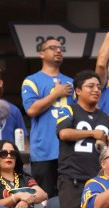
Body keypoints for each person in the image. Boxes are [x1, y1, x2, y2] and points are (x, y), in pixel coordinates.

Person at [56, 71, 109, 208]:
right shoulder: (69, 110)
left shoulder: (107, 118)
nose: (96, 89)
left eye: (98, 87)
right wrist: (92, 133)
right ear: (78, 91)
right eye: (90, 86)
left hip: (98, 181)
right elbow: (63, 133)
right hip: (73, 180)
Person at [20, 37, 73, 196]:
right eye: (52, 47)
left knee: (69, 199)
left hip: (70, 151)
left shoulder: (72, 82)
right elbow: (31, 110)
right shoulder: (32, 81)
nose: (58, 50)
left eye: (60, 48)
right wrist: (56, 93)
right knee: (44, 200)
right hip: (44, 152)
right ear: (41, 53)